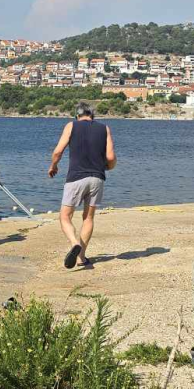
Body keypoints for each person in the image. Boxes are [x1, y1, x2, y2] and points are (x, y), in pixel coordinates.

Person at [48, 101, 116, 269]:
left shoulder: (71, 126)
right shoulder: (104, 128)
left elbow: (58, 151)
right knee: (88, 217)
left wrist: (53, 166)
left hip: (76, 177)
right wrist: (107, 168)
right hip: (97, 177)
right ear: (92, 115)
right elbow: (111, 158)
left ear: (77, 115)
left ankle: (73, 243)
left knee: (65, 216)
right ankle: (81, 257)